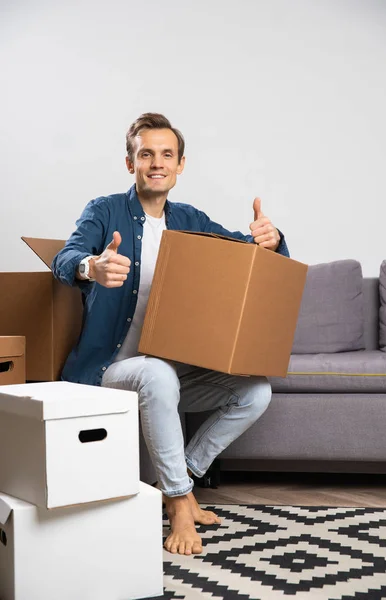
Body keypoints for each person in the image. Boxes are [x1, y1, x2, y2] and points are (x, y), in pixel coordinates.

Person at [52, 113, 290, 556]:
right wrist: (92, 267)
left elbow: (245, 254)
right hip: (109, 372)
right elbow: (66, 259)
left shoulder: (189, 219)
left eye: (166, 155)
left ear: (181, 165)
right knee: (157, 373)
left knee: (255, 391)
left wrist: (271, 240)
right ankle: (180, 503)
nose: (156, 163)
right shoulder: (105, 210)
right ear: (131, 164)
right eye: (146, 154)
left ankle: (176, 479)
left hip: (168, 373)